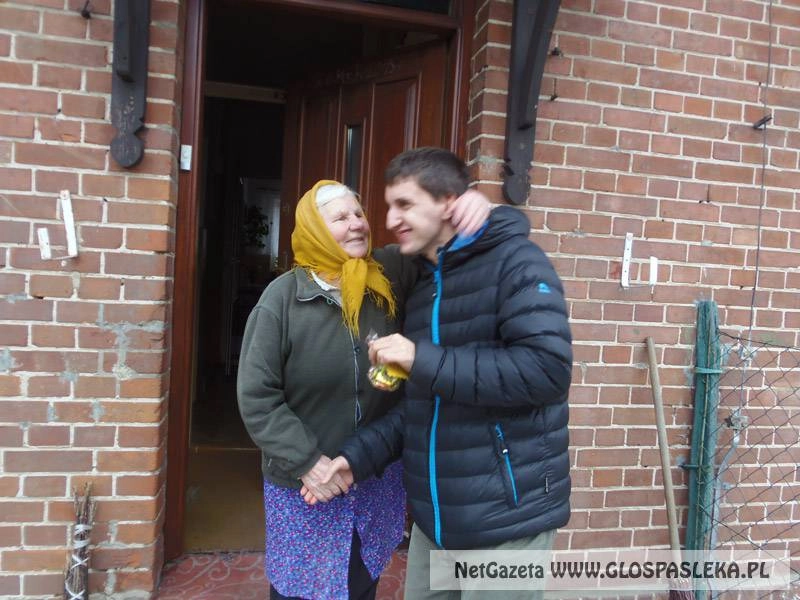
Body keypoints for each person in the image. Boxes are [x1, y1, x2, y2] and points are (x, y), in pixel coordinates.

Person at [319, 148, 573, 600]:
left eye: (405, 204)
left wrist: (422, 359)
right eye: (389, 206)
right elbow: (425, 403)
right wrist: (359, 456)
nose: (390, 219)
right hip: (435, 522)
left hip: (505, 522)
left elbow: (546, 371)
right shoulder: (425, 284)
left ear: (448, 203)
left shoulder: (517, 261)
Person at [236, 178, 490, 600]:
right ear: (315, 230)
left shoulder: (388, 274)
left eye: (358, 213)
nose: (356, 224)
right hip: (308, 486)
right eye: (340, 218)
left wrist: (473, 207)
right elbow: (257, 396)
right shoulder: (282, 300)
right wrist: (308, 462)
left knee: (361, 581)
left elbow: (445, 244)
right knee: (299, 589)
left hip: (373, 477)